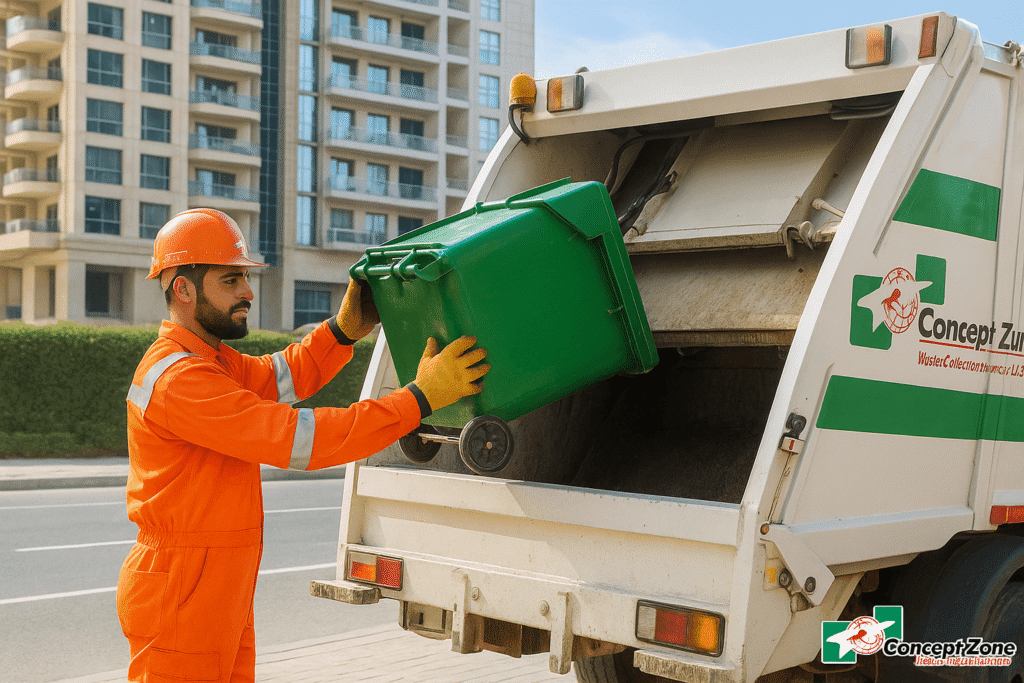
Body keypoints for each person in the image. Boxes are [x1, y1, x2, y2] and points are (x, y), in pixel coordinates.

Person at [116, 208, 489, 682]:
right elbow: (301, 439)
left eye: (245, 279)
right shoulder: (181, 379)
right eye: (231, 280)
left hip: (206, 586)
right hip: (183, 590)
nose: (248, 292)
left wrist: (343, 330)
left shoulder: (209, 363)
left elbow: (281, 375)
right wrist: (419, 398)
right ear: (183, 289)